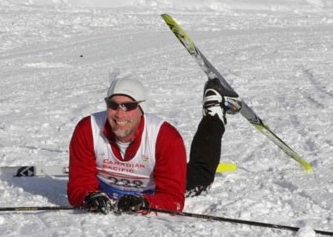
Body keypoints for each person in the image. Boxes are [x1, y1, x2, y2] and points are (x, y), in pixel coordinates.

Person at [67, 76, 239, 214]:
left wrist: (144, 202)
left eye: (128, 106)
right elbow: (79, 185)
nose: (120, 114)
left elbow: (173, 199)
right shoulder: (87, 130)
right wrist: (88, 196)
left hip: (155, 187)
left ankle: (214, 112)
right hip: (107, 185)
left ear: (141, 108)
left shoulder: (165, 137)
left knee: (201, 172)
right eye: (113, 105)